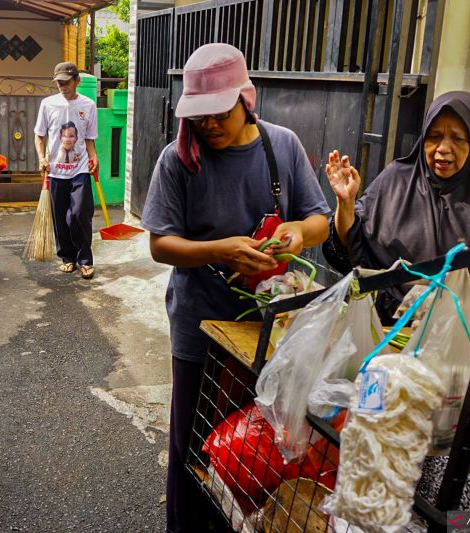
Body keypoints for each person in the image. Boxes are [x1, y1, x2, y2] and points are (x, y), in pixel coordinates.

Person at [140, 43, 330, 533]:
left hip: (269, 330)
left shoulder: (282, 145)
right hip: (200, 324)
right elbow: (161, 244)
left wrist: (295, 235)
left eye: (218, 113)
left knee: (255, 444)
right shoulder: (177, 159)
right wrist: (221, 250)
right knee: (192, 444)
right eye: (198, 116)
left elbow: (319, 222)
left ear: (247, 99)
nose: (208, 125)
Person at [322, 90, 470, 315]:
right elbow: (351, 246)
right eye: (434, 136)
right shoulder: (395, 180)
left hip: (452, 334)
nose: (443, 148)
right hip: (385, 326)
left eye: (457, 138)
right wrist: (345, 203)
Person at [34, 61, 99, 280]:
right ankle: (68, 258)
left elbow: (89, 138)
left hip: (79, 169)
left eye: (67, 82)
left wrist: (94, 156)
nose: (63, 87)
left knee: (80, 213)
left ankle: (85, 259)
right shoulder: (48, 104)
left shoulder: (88, 105)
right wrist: (42, 158)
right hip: (55, 171)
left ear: (77, 81)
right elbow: (39, 135)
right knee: (60, 216)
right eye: (59, 83)